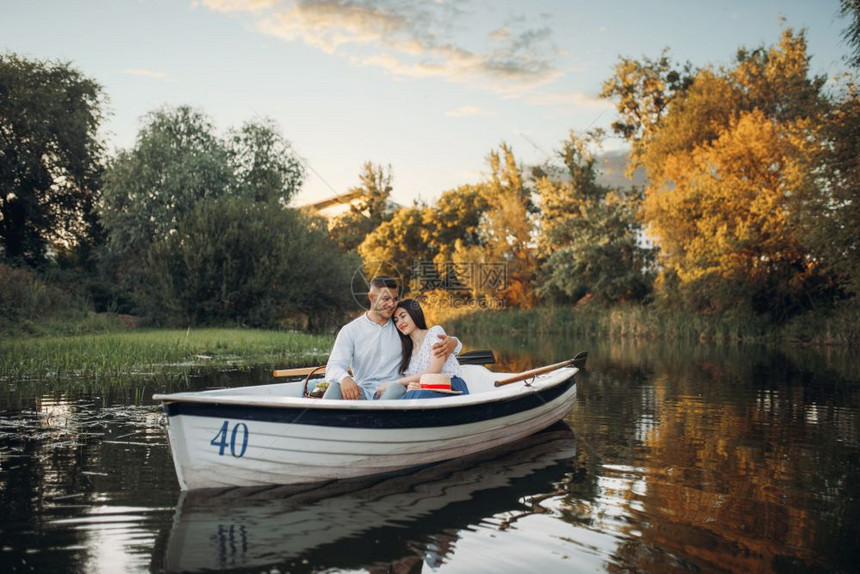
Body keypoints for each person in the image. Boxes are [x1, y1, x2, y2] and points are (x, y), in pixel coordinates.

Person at [323, 277, 461, 400]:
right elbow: (333, 367)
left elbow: (427, 338)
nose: (391, 304)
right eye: (385, 299)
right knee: (335, 386)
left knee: (395, 389)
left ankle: (379, 424)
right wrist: (345, 378)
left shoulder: (401, 327)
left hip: (394, 391)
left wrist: (454, 342)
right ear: (371, 297)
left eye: (395, 299)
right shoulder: (350, 330)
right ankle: (319, 423)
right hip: (363, 392)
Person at [376, 298, 469, 400]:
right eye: (396, 320)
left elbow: (434, 370)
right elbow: (414, 382)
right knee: (404, 397)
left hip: (450, 386)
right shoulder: (407, 353)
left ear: (414, 314)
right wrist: (411, 386)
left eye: (403, 316)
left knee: (415, 397)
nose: (400, 323)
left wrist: (393, 383)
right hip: (427, 390)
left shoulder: (434, 333)